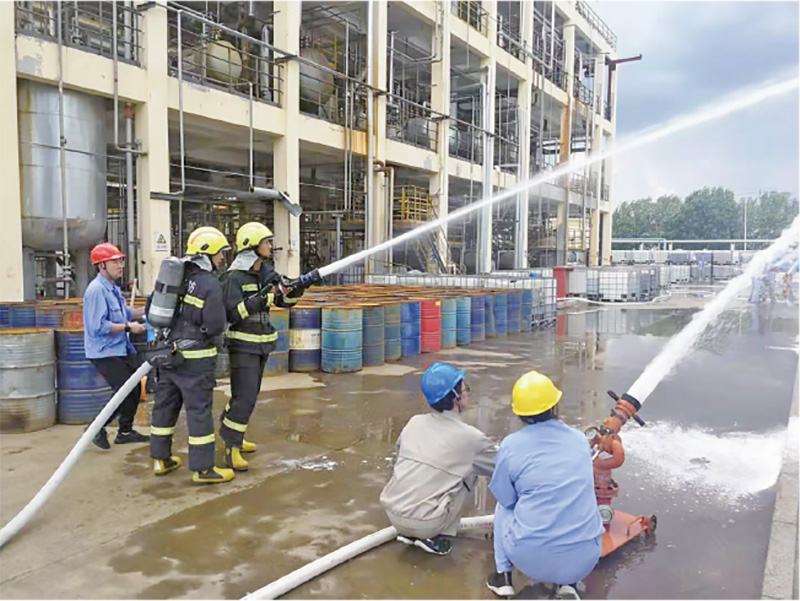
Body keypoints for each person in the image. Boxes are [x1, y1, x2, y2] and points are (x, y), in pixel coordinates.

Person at [486, 371, 604, 600]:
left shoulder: (511, 446)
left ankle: (503, 577)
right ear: (554, 406)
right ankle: (568, 583)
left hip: (530, 560)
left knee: (503, 507)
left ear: (518, 413)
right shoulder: (580, 440)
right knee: (573, 499)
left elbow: (506, 498)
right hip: (586, 559)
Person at [379, 362, 496, 555]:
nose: (467, 393)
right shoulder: (471, 438)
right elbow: (502, 467)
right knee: (470, 471)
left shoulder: (414, 422)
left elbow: (399, 457)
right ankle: (432, 536)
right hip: (427, 524)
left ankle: (411, 532)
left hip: (393, 514)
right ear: (456, 397)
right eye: (465, 389)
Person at [218, 222, 308, 471]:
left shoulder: (264, 273)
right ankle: (231, 449)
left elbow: (283, 300)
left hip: (260, 346)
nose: (270, 246)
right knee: (244, 397)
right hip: (242, 347)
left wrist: (298, 288)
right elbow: (232, 314)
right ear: (252, 246)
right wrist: (258, 300)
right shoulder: (234, 278)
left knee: (247, 396)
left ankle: (232, 432)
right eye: (266, 242)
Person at [149, 227, 234, 484]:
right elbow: (216, 324)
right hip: (195, 361)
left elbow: (151, 306)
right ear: (207, 254)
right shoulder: (209, 283)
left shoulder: (175, 276)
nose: (222, 258)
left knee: (164, 407)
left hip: (167, 355)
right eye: (220, 253)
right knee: (198, 411)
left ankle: (160, 459)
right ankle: (203, 469)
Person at [82, 242, 149, 449]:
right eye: (115, 262)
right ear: (101, 266)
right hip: (104, 352)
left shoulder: (112, 288)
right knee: (123, 390)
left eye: (121, 261)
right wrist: (129, 327)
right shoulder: (96, 291)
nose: (120, 266)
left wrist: (149, 310)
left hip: (120, 347)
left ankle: (125, 432)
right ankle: (95, 428)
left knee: (135, 387)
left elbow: (126, 313)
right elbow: (98, 326)